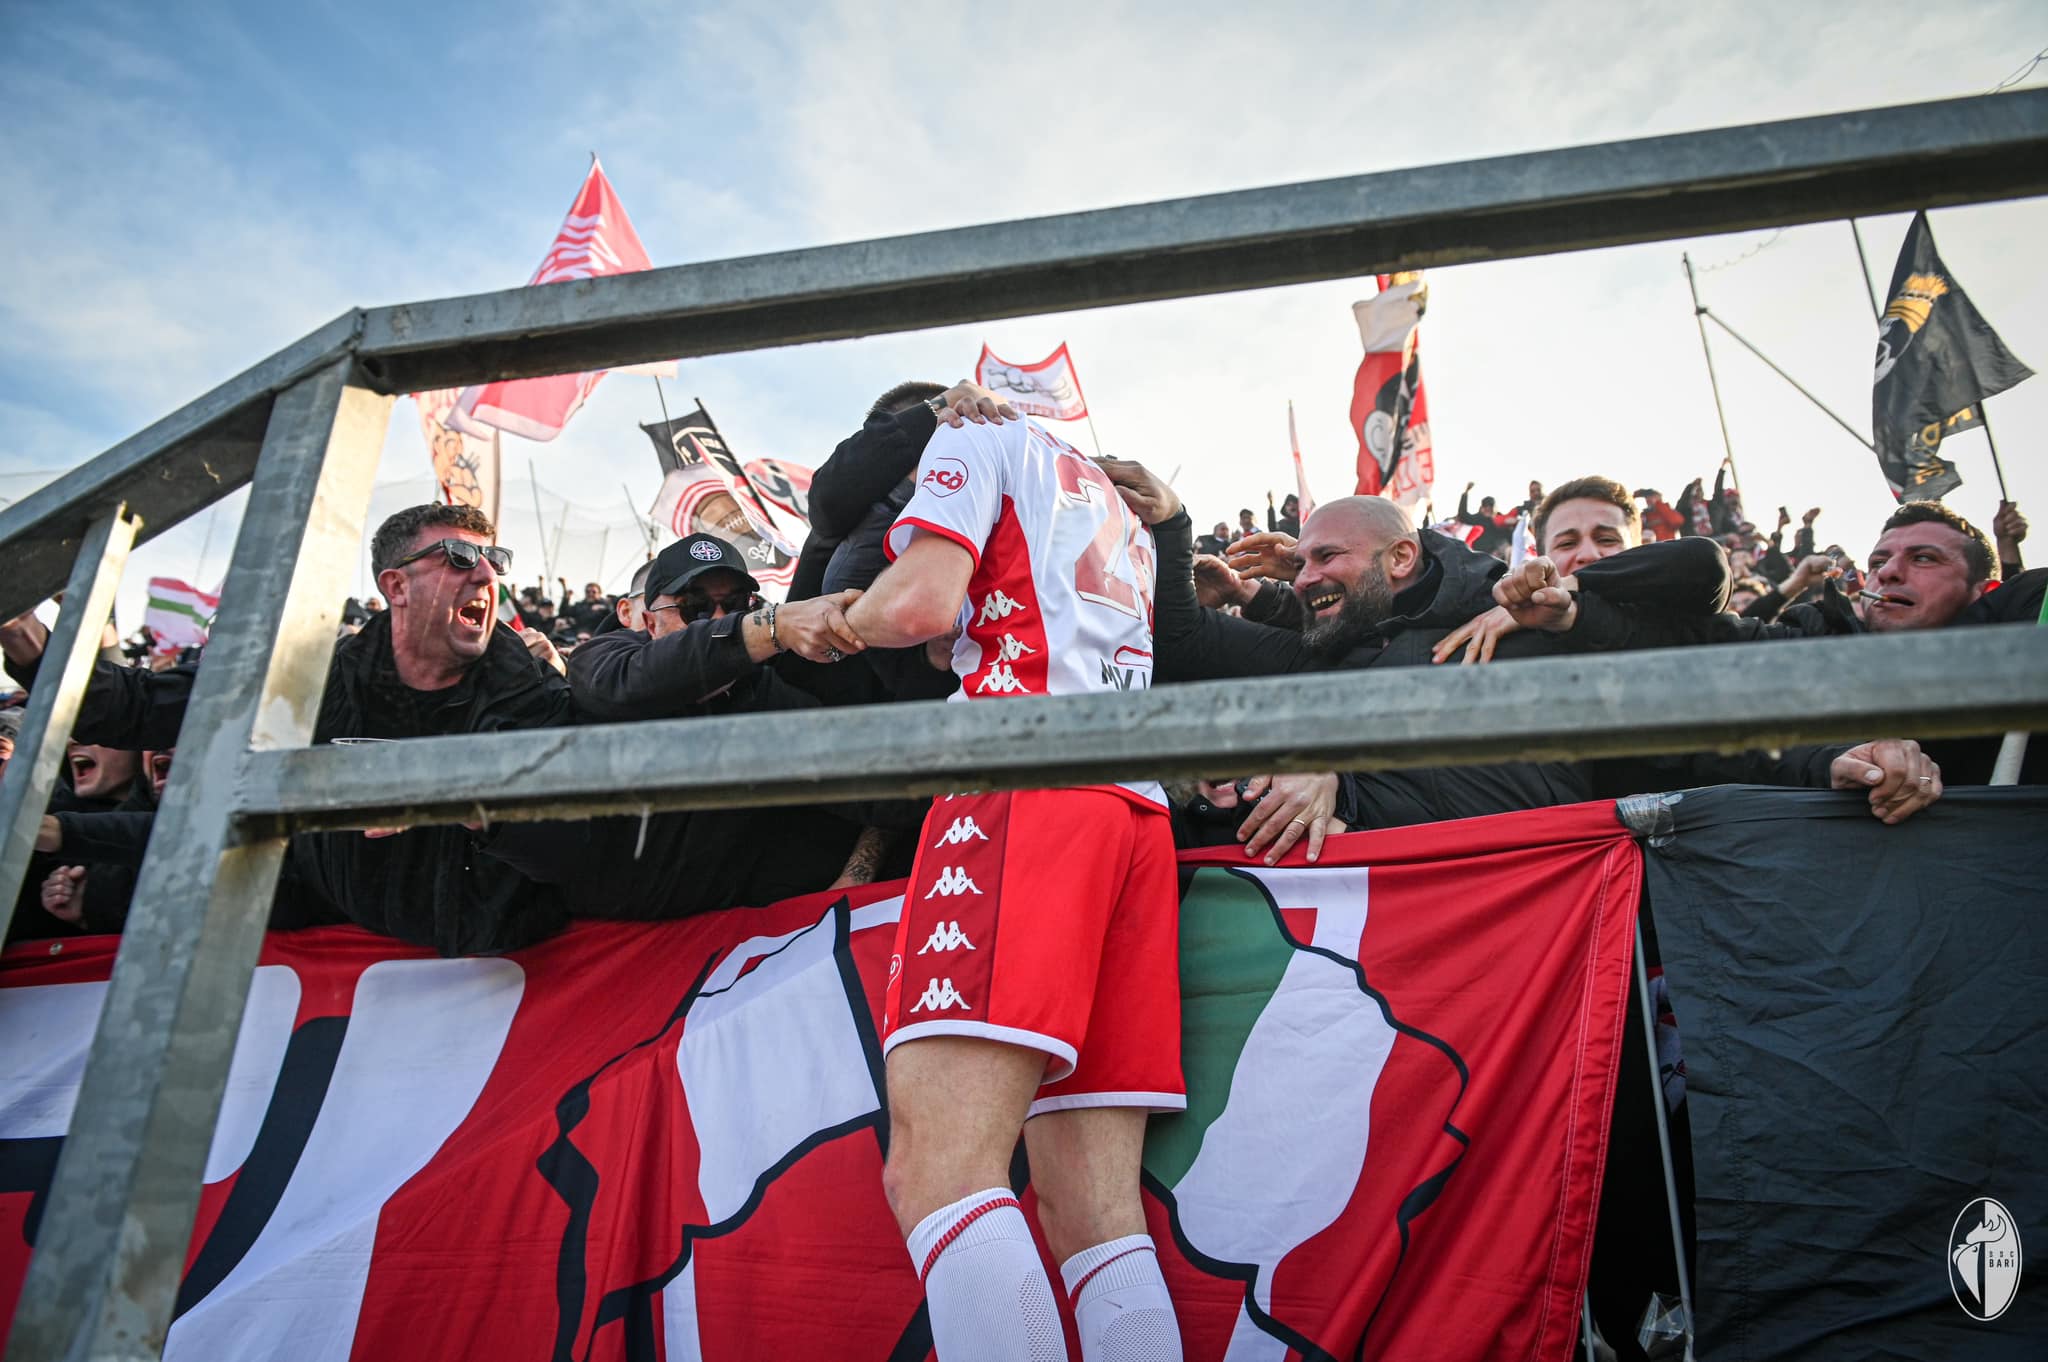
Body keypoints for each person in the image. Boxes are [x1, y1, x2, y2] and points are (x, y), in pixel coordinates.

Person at [841, 419, 1185, 1362]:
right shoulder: (1110, 490)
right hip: (1132, 813)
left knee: (939, 1173)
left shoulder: (970, 438)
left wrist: (833, 622)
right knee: (1094, 1217)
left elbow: (915, 607)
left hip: (1018, 784)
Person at [292, 503, 576, 956]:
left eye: (494, 560)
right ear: (396, 585)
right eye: (459, 556)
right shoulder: (325, 681)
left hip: (505, 958)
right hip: (338, 922)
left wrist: (475, 805)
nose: (487, 576)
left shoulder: (534, 693)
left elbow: (578, 851)